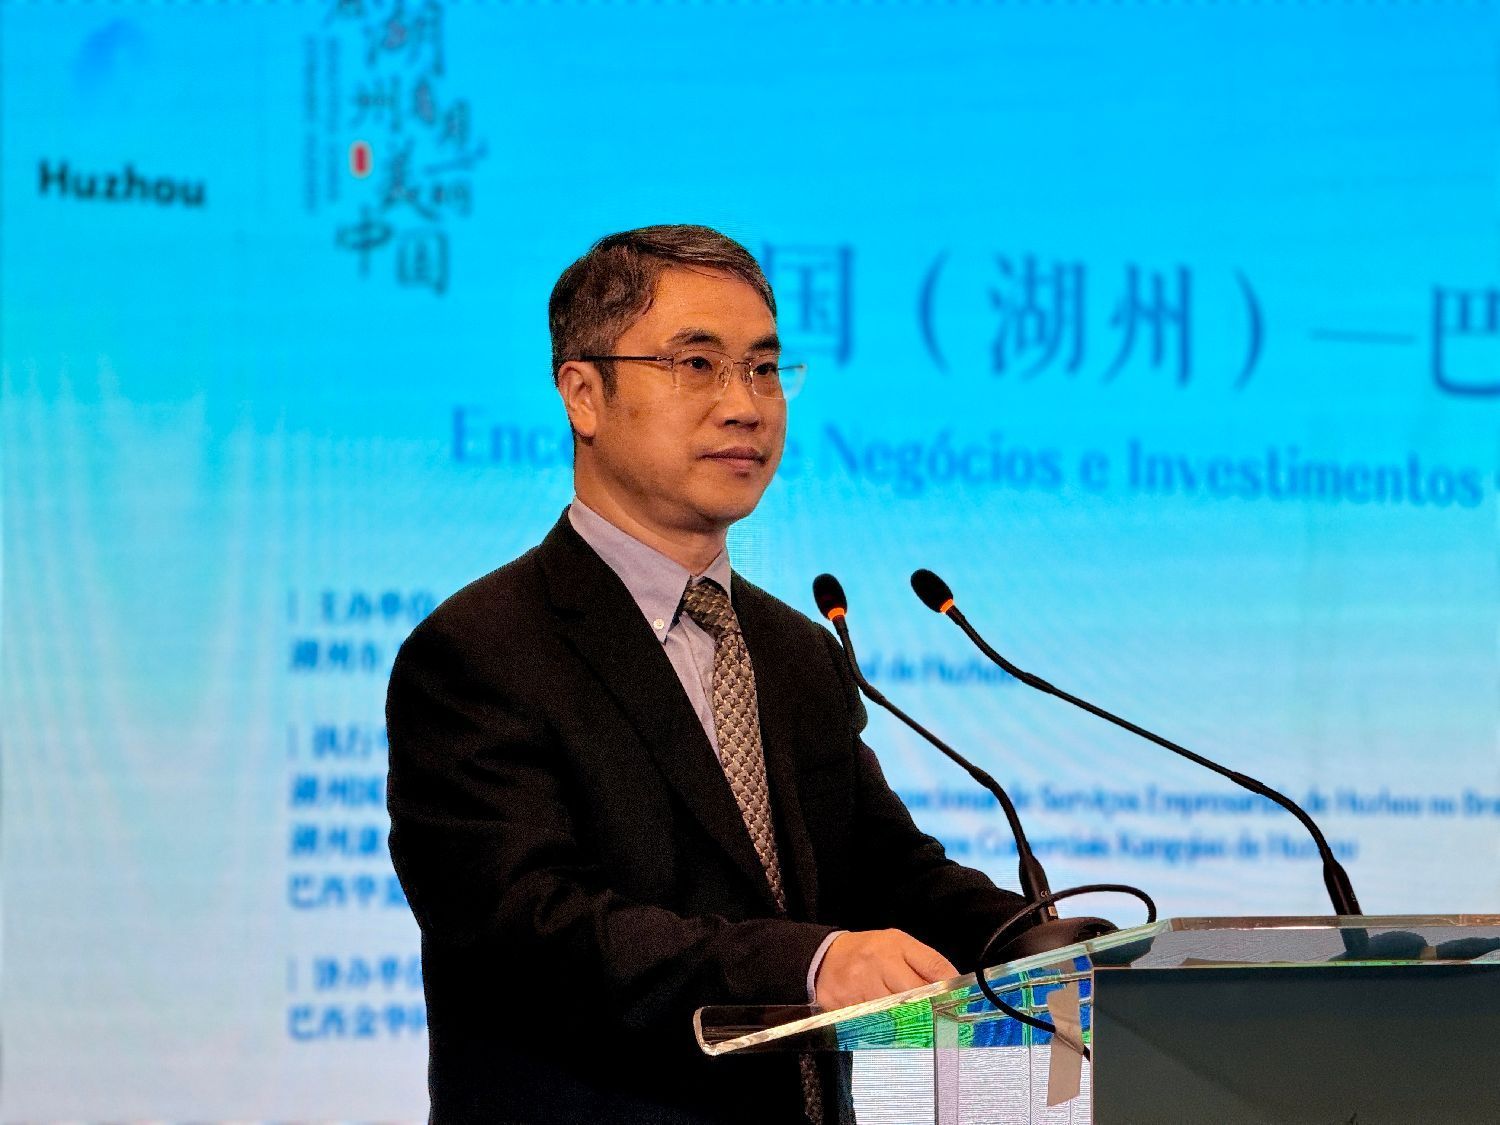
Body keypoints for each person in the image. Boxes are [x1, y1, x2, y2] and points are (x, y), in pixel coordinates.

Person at [386, 225, 1031, 1124]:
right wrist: (811, 964)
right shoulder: (480, 652)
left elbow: (891, 874)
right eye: (697, 365)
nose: (745, 405)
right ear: (584, 394)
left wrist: (1050, 945)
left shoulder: (797, 651)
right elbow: (533, 933)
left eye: (763, 368)